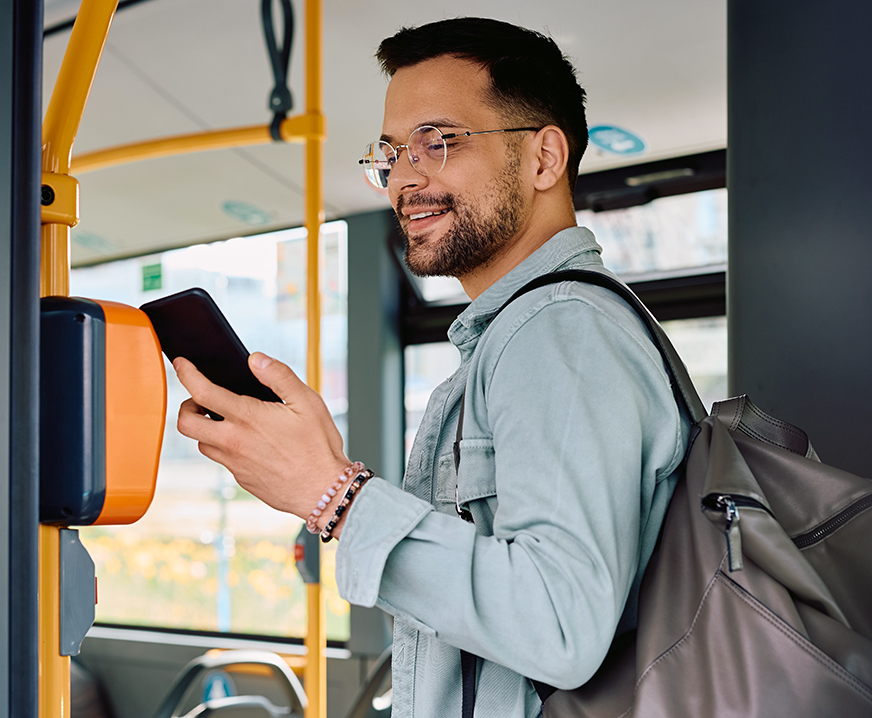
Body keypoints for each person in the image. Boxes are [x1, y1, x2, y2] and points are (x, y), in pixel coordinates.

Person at [174, 17, 690, 718]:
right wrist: (327, 477)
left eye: (437, 143)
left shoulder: (559, 328)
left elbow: (560, 626)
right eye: (391, 153)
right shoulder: (520, 335)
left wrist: (336, 496)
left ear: (543, 159)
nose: (403, 179)